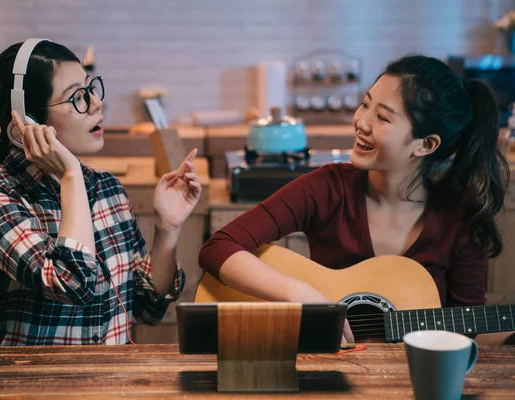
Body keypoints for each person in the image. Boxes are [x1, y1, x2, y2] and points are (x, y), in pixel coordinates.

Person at [199, 54, 510, 343]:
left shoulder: (460, 219)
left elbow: (467, 333)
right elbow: (219, 246)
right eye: (365, 104)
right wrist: (298, 292)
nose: (361, 122)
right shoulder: (328, 188)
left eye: (383, 118)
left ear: (426, 145)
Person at [0, 40, 202, 346]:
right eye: (77, 97)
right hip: (35, 386)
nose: (96, 103)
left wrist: (167, 229)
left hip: (110, 384)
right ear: (26, 124)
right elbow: (73, 284)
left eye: (91, 89)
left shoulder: (108, 188)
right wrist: (71, 175)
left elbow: (148, 307)